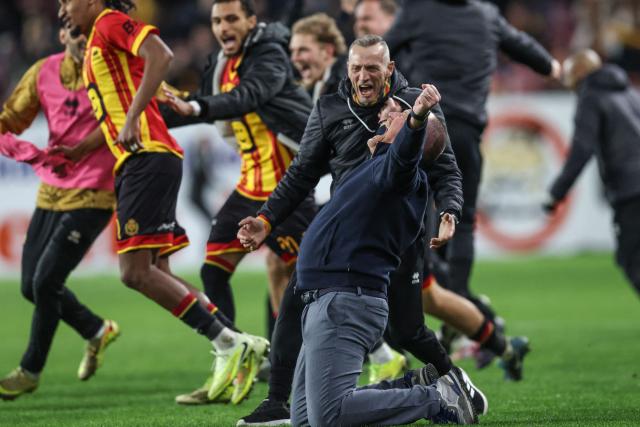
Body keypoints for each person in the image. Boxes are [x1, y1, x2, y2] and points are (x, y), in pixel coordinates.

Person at [237, 35, 488, 427]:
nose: (363, 75)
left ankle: (449, 384)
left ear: (389, 69)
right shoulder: (331, 110)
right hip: (345, 242)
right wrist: (266, 218)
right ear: (347, 67)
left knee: (407, 329)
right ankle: (276, 401)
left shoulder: (406, 124)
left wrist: (450, 206)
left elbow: (433, 163)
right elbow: (302, 172)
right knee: (292, 303)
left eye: (372, 67)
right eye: (356, 67)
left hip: (383, 242)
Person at [58, 0, 267, 405]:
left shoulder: (108, 23)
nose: (62, 9)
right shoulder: (100, 46)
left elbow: (162, 54)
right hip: (148, 158)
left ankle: (230, 344)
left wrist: (135, 116)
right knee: (158, 271)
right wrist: (82, 148)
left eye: (67, 0)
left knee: (134, 273)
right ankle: (238, 343)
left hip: (147, 159)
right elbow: (121, 112)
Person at [384, 0, 562, 372]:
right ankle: (459, 294)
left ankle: (445, 296)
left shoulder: (419, 11)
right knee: (461, 219)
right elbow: (522, 45)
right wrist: (551, 65)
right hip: (467, 133)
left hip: (426, 127)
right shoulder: (486, 15)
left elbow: (387, 51)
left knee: (414, 212)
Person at [160, 0, 315, 404]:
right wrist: (153, 111)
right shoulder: (219, 64)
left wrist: (194, 104)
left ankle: (378, 351)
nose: (223, 26)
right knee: (213, 269)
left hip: (287, 191)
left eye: (231, 18)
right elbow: (207, 110)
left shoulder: (268, 54)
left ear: (250, 21)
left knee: (313, 285)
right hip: (249, 188)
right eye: (216, 20)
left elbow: (248, 97)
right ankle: (235, 356)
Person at [0, 27, 118, 401]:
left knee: (46, 280)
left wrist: (84, 147)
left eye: (89, 31)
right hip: (52, 190)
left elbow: (126, 118)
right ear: (62, 31)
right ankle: (97, 330)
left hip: (96, 192)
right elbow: (7, 123)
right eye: (75, 30)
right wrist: (30, 153)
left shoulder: (111, 73)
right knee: (29, 285)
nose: (83, 37)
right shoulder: (43, 72)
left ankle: (30, 369)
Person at [546, 49, 640, 297]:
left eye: (569, 78)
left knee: (632, 259)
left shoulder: (591, 95)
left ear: (579, 72)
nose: (570, 87)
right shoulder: (629, 92)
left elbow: (581, 150)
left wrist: (557, 192)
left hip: (631, 191)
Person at [290, 13, 347, 102]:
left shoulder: (347, 86)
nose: (294, 58)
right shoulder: (315, 85)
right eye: (292, 51)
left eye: (303, 50)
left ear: (327, 51)